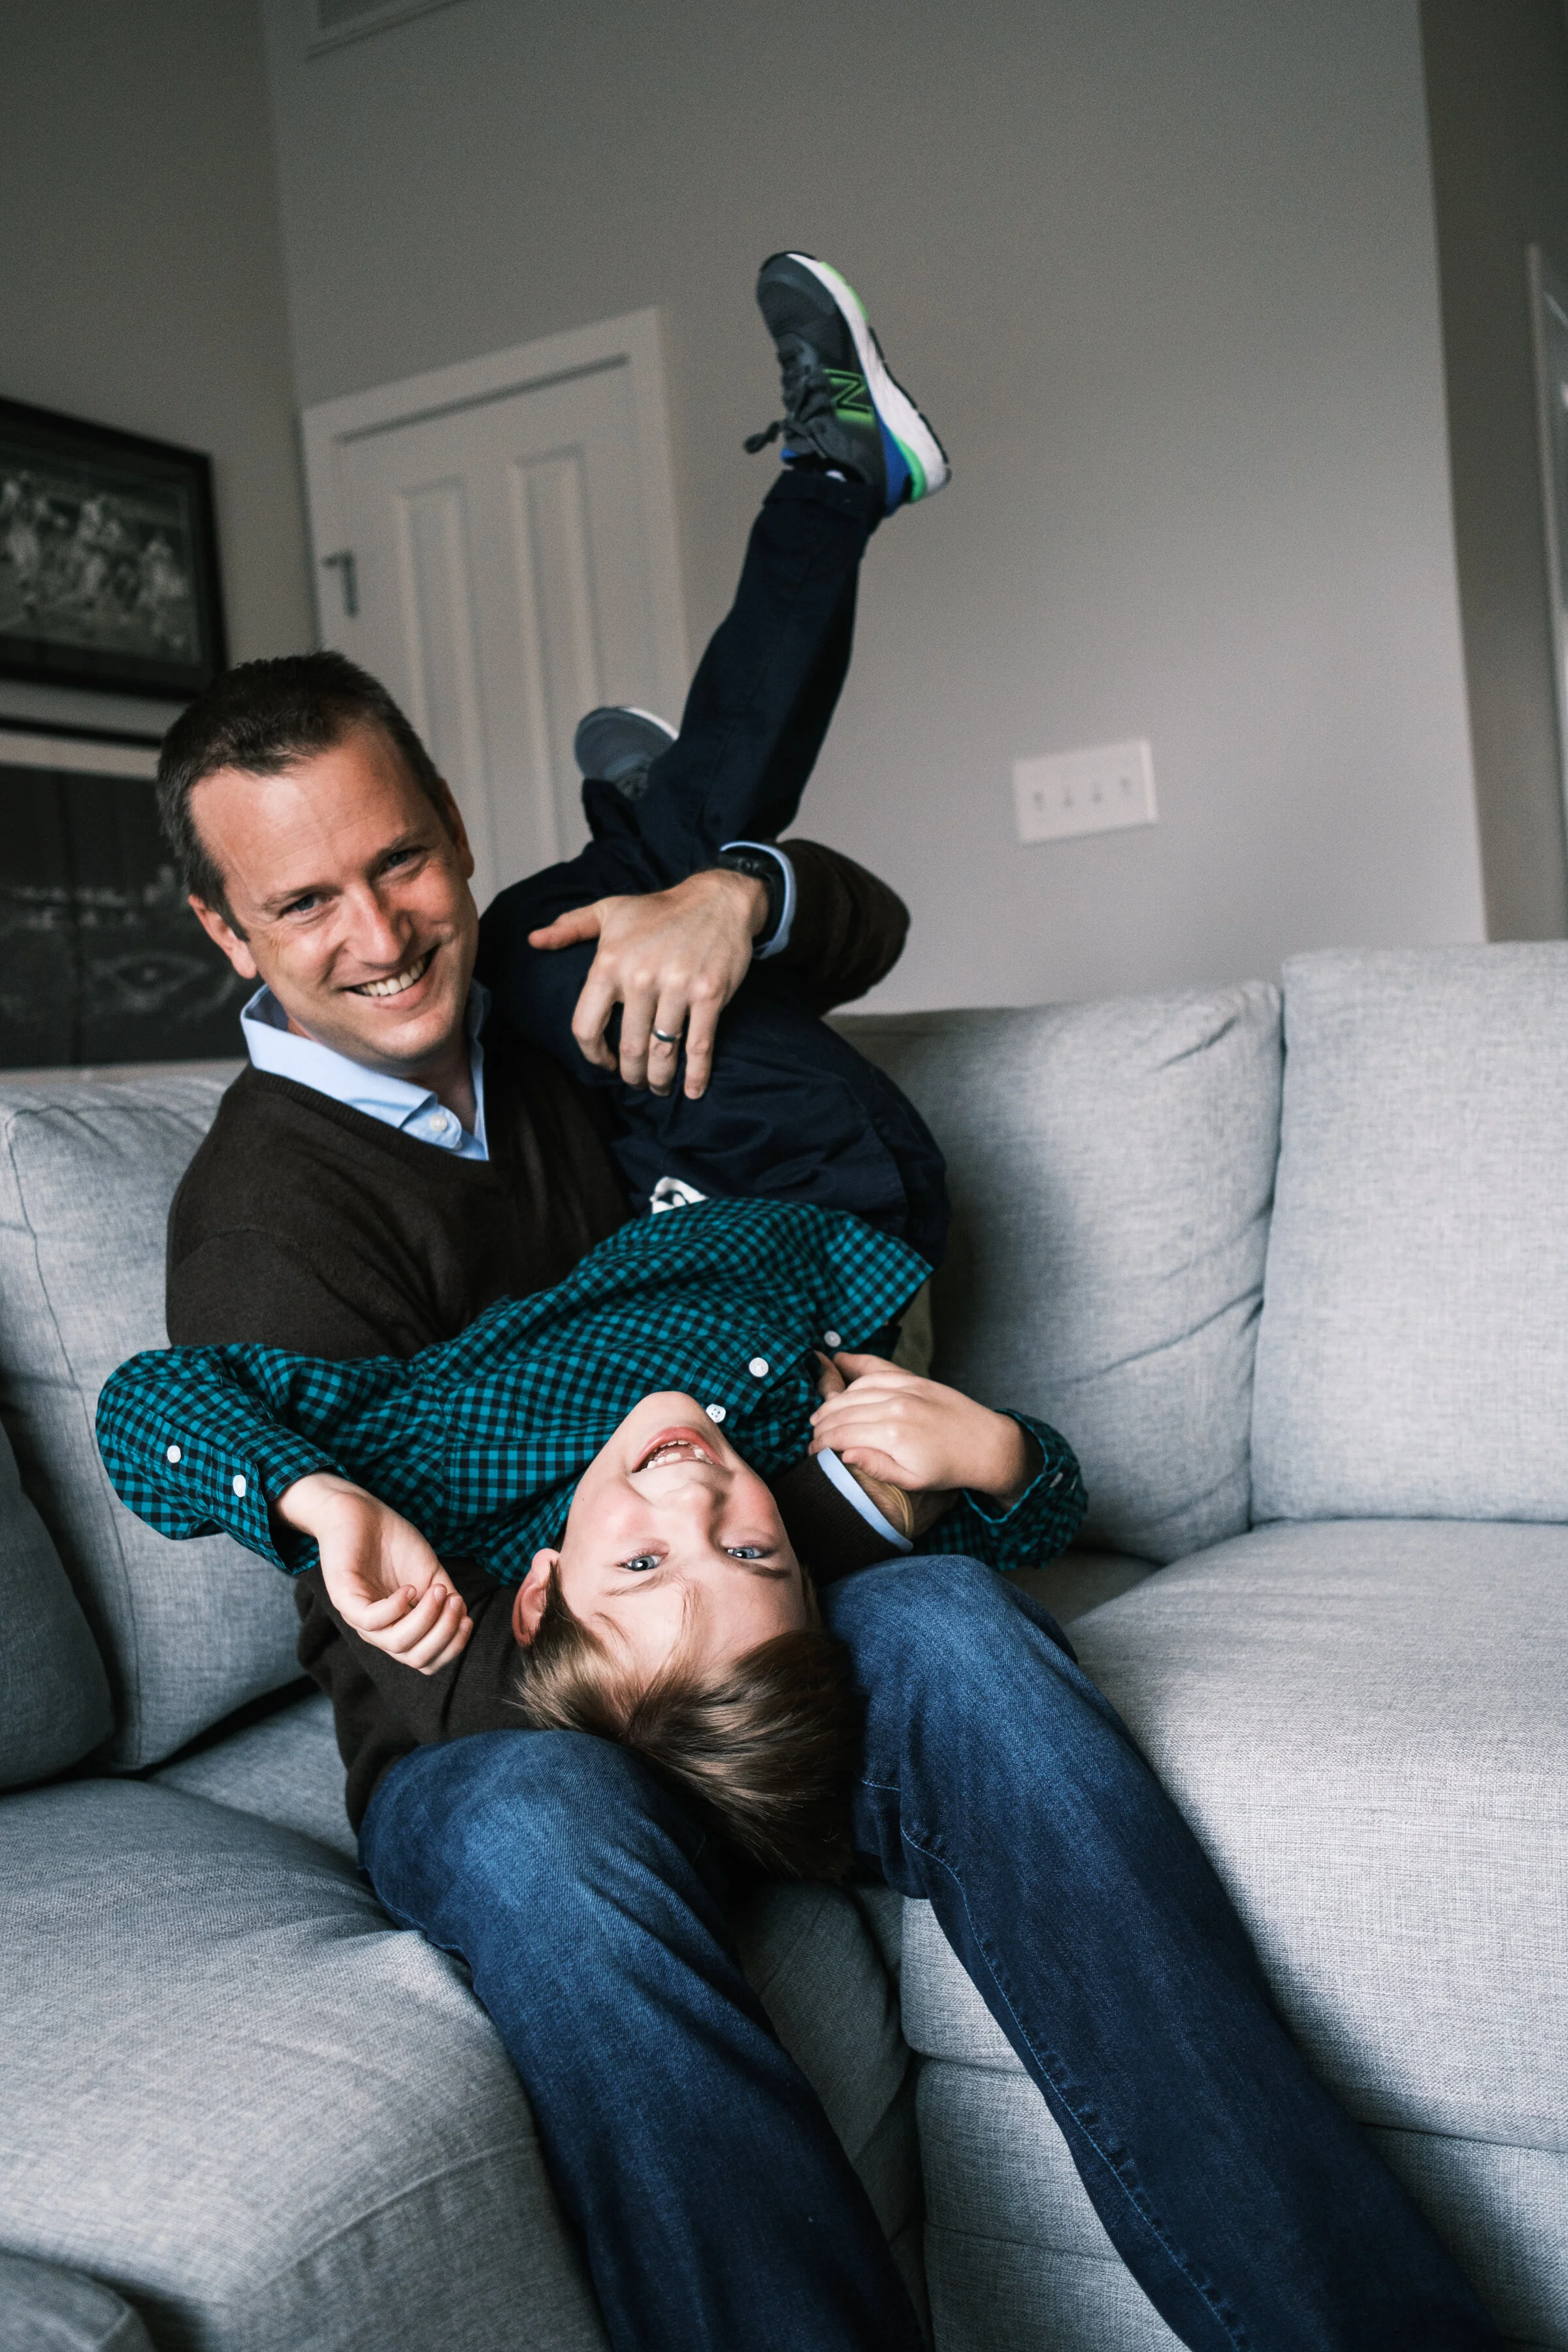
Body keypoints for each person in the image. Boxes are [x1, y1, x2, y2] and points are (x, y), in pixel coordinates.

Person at [142, 251, 1499, 2352]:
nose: (381, 930)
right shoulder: (268, 1213)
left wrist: (726, 896)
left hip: (754, 1567)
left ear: (443, 828)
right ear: (223, 924)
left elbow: (854, 917)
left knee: (955, 1618)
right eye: (304, 901)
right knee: (531, 1836)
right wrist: (595, 1604)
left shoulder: (534, 979)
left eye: (402, 861)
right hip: (521, 1699)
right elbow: (357, 1576)